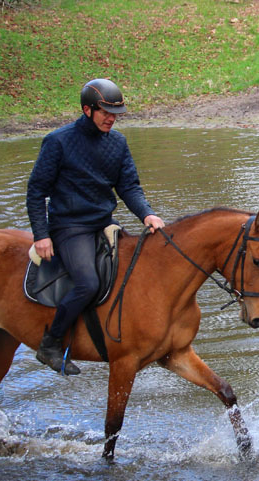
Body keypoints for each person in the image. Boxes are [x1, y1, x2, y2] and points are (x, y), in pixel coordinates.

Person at [26, 78, 165, 375]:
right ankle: (50, 344)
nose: (112, 119)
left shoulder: (118, 142)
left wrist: (147, 215)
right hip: (69, 227)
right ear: (88, 110)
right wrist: (42, 235)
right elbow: (36, 190)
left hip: (104, 224)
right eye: (106, 112)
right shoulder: (58, 142)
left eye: (116, 114)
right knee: (88, 283)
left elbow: (128, 186)